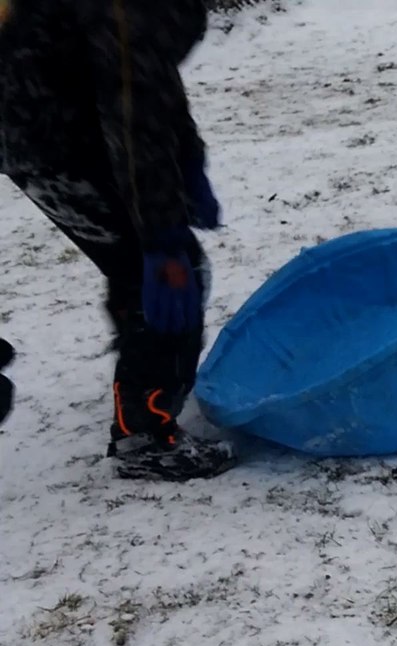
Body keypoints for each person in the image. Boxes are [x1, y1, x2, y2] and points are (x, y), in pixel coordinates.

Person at [0, 0, 235, 480]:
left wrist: (189, 158)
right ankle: (144, 434)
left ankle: (141, 383)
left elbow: (151, 78)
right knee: (171, 276)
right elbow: (132, 112)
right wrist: (162, 231)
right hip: (59, 142)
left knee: (135, 270)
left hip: (44, 132)